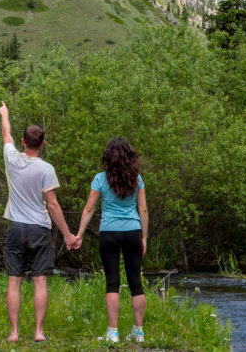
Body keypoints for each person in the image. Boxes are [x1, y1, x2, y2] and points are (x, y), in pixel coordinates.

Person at [0, 101, 79, 344]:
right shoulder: (46, 169)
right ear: (42, 144)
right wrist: (67, 234)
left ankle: (14, 333)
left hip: (17, 228)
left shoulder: (12, 158)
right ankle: (38, 332)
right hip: (39, 229)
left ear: (23, 142)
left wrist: (5, 113)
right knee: (40, 280)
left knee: (14, 281)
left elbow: (5, 132)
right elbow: (52, 205)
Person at [75, 137, 149, 344]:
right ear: (129, 156)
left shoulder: (100, 179)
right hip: (133, 231)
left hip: (109, 233)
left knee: (112, 283)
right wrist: (144, 236)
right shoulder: (137, 179)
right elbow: (143, 209)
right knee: (136, 283)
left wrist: (79, 234)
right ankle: (139, 332)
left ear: (108, 156)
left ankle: (113, 333)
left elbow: (89, 208)